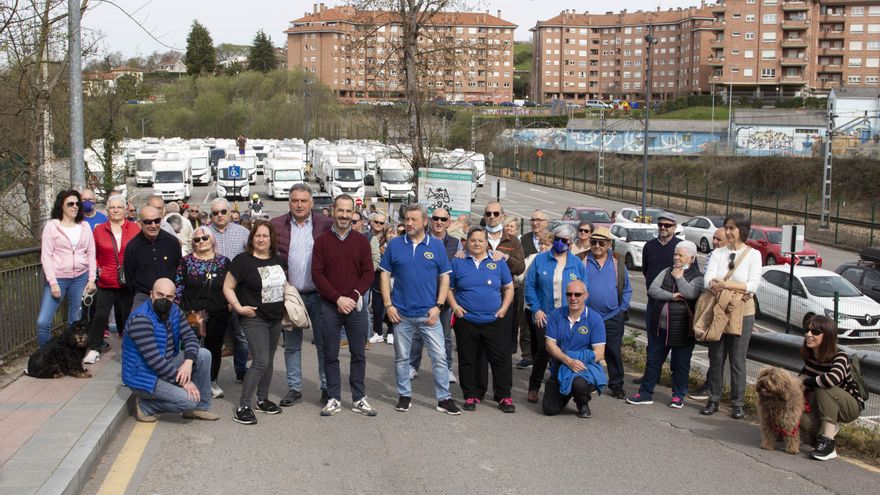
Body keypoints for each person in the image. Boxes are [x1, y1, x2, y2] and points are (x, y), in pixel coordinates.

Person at [380, 204, 460, 415]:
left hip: (429, 315)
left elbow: (445, 277)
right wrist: (388, 305)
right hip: (401, 315)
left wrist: (439, 306)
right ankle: (404, 395)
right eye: (407, 219)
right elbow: (384, 275)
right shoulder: (395, 245)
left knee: (440, 357)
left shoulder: (436, 246)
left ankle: (444, 399)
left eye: (414, 219)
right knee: (402, 358)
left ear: (425, 222)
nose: (408, 223)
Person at [311, 195, 377, 417]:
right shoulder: (321, 242)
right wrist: (338, 299)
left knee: (358, 353)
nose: (344, 215)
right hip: (330, 306)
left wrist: (354, 296)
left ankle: (359, 398)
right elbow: (317, 275)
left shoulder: (361, 241)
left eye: (348, 212)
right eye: (340, 210)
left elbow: (368, 273)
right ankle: (333, 398)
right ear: (333, 210)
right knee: (330, 354)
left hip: (356, 307)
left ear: (353, 213)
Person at [270, 183, 332, 406]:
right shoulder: (276, 225)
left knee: (324, 344)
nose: (299, 204)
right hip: (292, 297)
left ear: (311, 203)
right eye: (295, 200)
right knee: (292, 345)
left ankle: (327, 387)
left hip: (320, 295)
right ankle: (294, 388)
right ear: (289, 202)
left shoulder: (326, 225)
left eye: (303, 201)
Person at [123, 278, 218, 422]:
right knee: (189, 400)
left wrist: (188, 363)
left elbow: (190, 337)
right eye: (160, 295)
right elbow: (154, 361)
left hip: (165, 364)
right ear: (151, 294)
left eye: (169, 296)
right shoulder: (141, 318)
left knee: (204, 354)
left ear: (174, 297)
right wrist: (183, 381)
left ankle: (199, 408)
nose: (164, 299)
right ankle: (146, 406)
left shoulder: (174, 311)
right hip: (144, 376)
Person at [224, 220, 287, 425]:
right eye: (257, 236)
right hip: (254, 318)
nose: (261, 239)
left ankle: (262, 399)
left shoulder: (278, 259)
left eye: (265, 236)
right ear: (252, 238)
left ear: (271, 240)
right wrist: (238, 307)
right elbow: (227, 287)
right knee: (260, 360)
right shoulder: (243, 260)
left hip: (275, 318)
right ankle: (243, 405)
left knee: (268, 359)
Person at [701, 213, 762, 419]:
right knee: (716, 357)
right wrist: (724, 286)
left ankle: (738, 403)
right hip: (719, 308)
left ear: (742, 231)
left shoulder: (753, 255)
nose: (727, 232)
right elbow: (708, 280)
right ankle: (714, 399)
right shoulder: (719, 253)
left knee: (737, 359)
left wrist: (725, 284)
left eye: (732, 228)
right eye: (726, 227)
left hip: (743, 311)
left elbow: (752, 285)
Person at [627, 240, 703, 408]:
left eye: (680, 255)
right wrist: (672, 296)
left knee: (680, 365)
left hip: (682, 330)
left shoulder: (698, 277)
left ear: (691, 258)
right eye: (675, 254)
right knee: (653, 361)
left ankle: (678, 395)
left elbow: (690, 293)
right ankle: (645, 393)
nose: (676, 257)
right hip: (659, 327)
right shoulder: (666, 271)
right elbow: (653, 290)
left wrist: (679, 278)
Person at [448, 227, 516, 413]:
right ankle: (470, 394)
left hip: (493, 320)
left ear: (487, 243)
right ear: (466, 242)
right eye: (473, 240)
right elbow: (449, 288)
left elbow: (509, 288)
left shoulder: (497, 261)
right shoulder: (458, 262)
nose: (476, 244)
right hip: (466, 320)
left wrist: (503, 309)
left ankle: (504, 396)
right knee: (468, 359)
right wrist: (455, 306)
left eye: (480, 240)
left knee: (500, 360)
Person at [523, 224, 587, 403]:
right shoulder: (541, 259)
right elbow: (530, 286)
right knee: (543, 351)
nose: (559, 243)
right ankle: (534, 387)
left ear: (571, 242)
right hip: (545, 314)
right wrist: (536, 309)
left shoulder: (576, 264)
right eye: (556, 239)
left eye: (564, 240)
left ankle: (560, 386)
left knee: (564, 351)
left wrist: (579, 314)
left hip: (567, 316)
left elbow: (583, 289)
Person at [799, 315, 866, 461]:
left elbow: (832, 379)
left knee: (825, 388)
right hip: (820, 403)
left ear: (827, 336)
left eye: (815, 332)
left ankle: (828, 442)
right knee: (799, 418)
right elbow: (799, 382)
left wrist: (807, 381)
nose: (809, 335)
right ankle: (822, 434)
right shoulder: (810, 356)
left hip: (848, 405)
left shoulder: (840, 356)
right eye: (807, 330)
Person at [175, 227, 231, 399]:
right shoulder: (185, 262)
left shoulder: (224, 262)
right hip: (193, 315)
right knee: (193, 348)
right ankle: (190, 380)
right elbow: (178, 287)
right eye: (197, 240)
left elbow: (231, 286)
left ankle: (211, 381)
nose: (201, 242)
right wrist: (175, 308)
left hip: (219, 313)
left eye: (204, 238)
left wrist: (231, 305)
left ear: (212, 239)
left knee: (214, 348)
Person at [37, 190, 96, 347]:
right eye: (70, 203)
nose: (75, 206)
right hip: (58, 279)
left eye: (78, 203)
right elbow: (46, 256)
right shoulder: (51, 227)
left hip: (81, 278)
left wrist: (92, 279)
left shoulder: (84, 226)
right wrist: (53, 282)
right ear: (61, 206)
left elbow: (91, 253)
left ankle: (71, 357)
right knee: (43, 322)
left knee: (75, 322)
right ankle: (45, 356)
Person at [409, 208, 460, 383]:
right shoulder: (422, 239)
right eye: (435, 218)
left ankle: (447, 368)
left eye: (443, 219)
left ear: (448, 222)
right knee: (417, 334)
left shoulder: (456, 243)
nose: (439, 222)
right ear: (430, 220)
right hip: (421, 295)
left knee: (445, 335)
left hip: (443, 298)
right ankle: (412, 366)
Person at [542, 280, 607, 419]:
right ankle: (565, 392)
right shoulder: (556, 315)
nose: (573, 298)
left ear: (586, 295)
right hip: (561, 366)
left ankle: (582, 402)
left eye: (577, 294)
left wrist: (576, 361)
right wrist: (568, 360)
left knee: (579, 384)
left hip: (584, 368)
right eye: (569, 294)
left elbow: (599, 353)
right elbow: (550, 344)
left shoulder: (595, 319)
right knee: (549, 409)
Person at [87, 195, 140, 362]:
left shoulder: (135, 229)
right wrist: (98, 269)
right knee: (100, 315)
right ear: (107, 210)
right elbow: (92, 253)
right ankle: (94, 348)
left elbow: (140, 252)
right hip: (106, 279)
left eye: (119, 207)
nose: (116, 210)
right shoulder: (99, 230)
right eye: (112, 207)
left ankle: (129, 348)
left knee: (128, 316)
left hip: (129, 280)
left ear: (125, 210)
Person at [583, 227, 632, 399]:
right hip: (587, 316)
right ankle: (587, 381)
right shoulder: (581, 259)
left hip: (612, 316)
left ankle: (616, 384)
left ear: (609, 244)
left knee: (613, 351)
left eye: (601, 242)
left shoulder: (617, 262)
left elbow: (626, 288)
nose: (596, 246)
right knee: (587, 350)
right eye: (593, 242)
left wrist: (622, 309)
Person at [207, 198, 251, 384]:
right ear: (211, 216)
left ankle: (241, 371)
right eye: (215, 213)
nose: (219, 216)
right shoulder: (205, 233)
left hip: (238, 293)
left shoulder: (243, 233)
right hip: (213, 294)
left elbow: (251, 258)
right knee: (213, 337)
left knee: (241, 336)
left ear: (230, 213)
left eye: (223, 212)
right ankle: (210, 376)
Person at [689, 227, 728, 402]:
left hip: (726, 306)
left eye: (719, 239)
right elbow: (708, 282)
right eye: (714, 238)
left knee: (726, 356)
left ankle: (715, 390)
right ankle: (709, 387)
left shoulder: (732, 256)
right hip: (713, 306)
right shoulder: (713, 255)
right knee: (715, 352)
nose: (715, 242)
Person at [124, 205, 182, 311]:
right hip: (143, 297)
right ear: (140, 223)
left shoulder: (172, 242)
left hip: (169, 296)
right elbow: (129, 277)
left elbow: (179, 270)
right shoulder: (132, 246)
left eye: (157, 220)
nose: (153, 225)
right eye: (148, 222)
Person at [641, 213, 681, 356]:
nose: (663, 227)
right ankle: (650, 377)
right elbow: (646, 270)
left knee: (674, 344)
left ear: (674, 227)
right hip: (653, 303)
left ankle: (674, 376)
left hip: (674, 305)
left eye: (667, 225)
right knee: (652, 343)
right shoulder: (649, 246)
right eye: (660, 225)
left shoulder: (681, 247)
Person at [516, 211, 550, 369]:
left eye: (539, 220)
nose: (535, 223)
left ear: (546, 222)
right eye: (533, 220)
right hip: (527, 287)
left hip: (546, 292)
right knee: (526, 323)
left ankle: (545, 359)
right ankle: (527, 355)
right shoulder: (524, 239)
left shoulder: (553, 239)